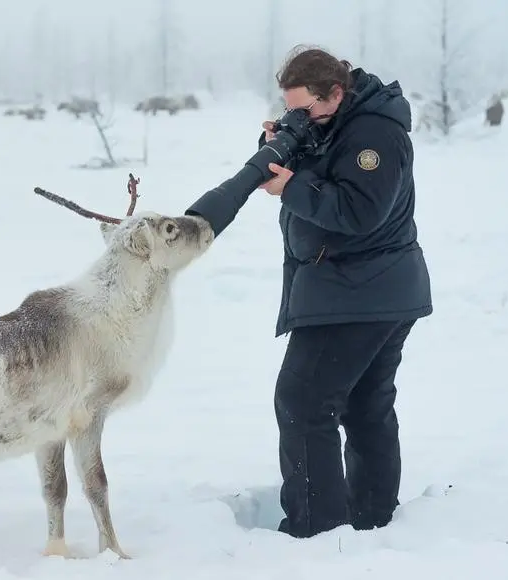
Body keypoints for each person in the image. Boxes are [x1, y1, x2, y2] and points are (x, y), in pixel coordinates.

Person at [185, 46, 433, 538]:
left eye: (306, 109)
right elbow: (325, 164)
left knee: (302, 401)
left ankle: (316, 529)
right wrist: (281, 141)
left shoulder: (374, 134)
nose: (300, 117)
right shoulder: (338, 119)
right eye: (290, 109)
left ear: (336, 92)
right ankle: (371, 517)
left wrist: (292, 188)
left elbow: (359, 212)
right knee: (366, 406)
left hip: (360, 293)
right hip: (372, 289)